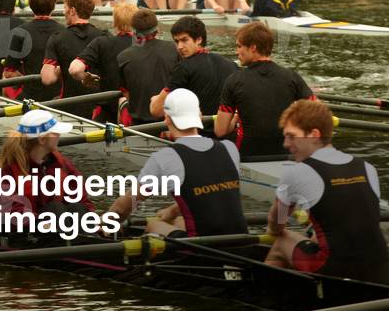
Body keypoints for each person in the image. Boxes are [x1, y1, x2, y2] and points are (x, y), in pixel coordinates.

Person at [266, 100, 389, 283]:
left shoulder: (296, 172)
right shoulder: (367, 167)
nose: (285, 144)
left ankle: (268, 291)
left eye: (291, 136)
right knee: (320, 235)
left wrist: (272, 231)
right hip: (380, 268)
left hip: (332, 269)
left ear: (314, 135)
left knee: (281, 240)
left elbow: (277, 224)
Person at [110, 88, 248, 238]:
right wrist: (173, 211)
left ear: (167, 118)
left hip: (203, 249)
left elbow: (127, 205)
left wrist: (106, 222)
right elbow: (209, 194)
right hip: (241, 239)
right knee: (177, 222)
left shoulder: (166, 157)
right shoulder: (229, 148)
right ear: (200, 116)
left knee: (152, 224)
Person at [214, 22, 314, 157]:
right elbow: (317, 112)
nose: (236, 51)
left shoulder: (234, 81)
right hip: (285, 153)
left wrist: (236, 118)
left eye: (239, 46)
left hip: (248, 156)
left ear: (253, 47)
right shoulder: (292, 77)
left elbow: (220, 131)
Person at [0, 109, 94, 219]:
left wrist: (91, 220)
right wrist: (40, 223)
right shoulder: (6, 170)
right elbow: (10, 212)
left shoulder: (60, 162)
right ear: (42, 140)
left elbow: (80, 198)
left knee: (77, 208)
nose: (59, 135)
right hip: (24, 229)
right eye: (55, 132)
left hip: (53, 223)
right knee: (54, 209)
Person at [149, 15, 238, 121]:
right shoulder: (231, 65)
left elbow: (156, 111)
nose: (179, 47)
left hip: (196, 132)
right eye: (177, 41)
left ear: (199, 39)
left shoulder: (183, 68)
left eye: (184, 40)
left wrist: (154, 100)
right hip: (226, 132)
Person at [41, 0, 106, 118]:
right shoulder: (105, 36)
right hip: (99, 109)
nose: (63, 12)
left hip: (69, 109)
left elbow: (47, 79)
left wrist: (61, 69)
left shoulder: (57, 38)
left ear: (72, 11)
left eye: (65, 8)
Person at [68, 2, 136, 122]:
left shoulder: (102, 43)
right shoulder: (147, 46)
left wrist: (86, 76)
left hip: (108, 113)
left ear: (115, 22)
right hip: (139, 114)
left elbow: (75, 69)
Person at [117, 9, 179, 126]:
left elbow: (125, 93)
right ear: (157, 30)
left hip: (139, 125)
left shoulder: (123, 57)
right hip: (169, 122)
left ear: (134, 32)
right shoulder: (174, 49)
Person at [3, 0, 64, 101]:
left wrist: (29, 81)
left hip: (30, 96)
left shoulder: (19, 32)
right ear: (54, 6)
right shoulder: (64, 32)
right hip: (57, 97)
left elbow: (9, 73)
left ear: (30, 5)